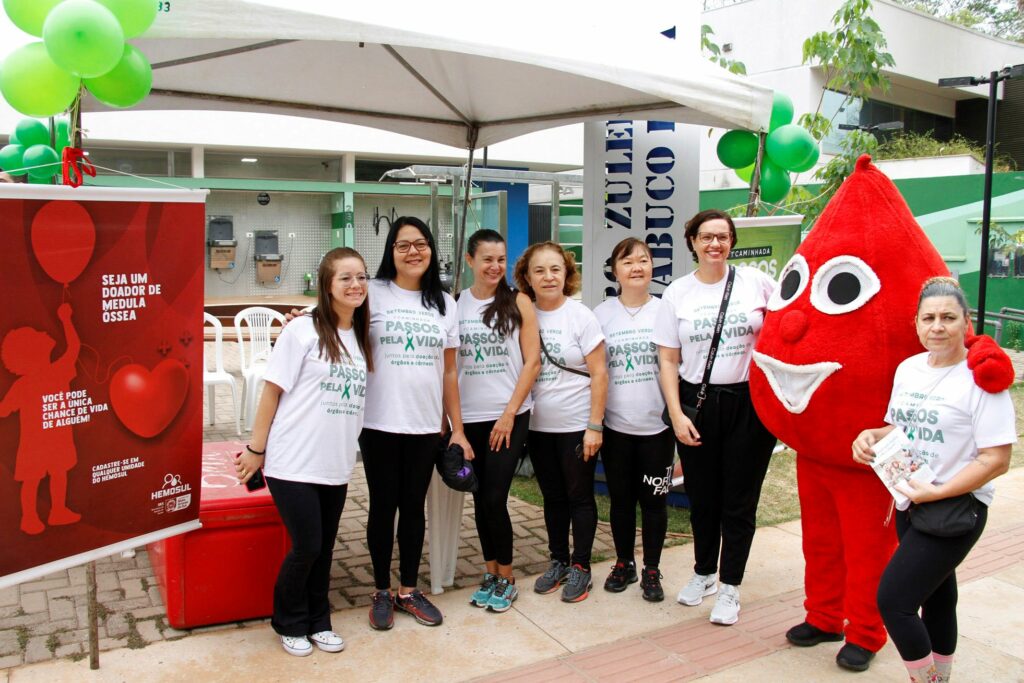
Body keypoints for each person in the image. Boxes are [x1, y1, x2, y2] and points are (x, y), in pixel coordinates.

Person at [853, 277, 1016, 683]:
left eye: (948, 317)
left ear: (967, 322)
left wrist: (939, 490)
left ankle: (925, 681)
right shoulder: (909, 369)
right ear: (916, 324)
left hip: (955, 507)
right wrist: (871, 435)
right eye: (929, 318)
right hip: (912, 499)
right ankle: (941, 676)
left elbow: (996, 459)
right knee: (939, 597)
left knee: (893, 602)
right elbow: (900, 427)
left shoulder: (981, 379)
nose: (937, 326)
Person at [235, 247, 371, 657]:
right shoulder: (302, 331)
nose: (355, 285)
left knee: (325, 547)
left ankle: (319, 621)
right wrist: (256, 450)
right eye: (345, 277)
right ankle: (289, 622)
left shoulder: (362, 334)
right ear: (327, 285)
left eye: (361, 277)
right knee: (308, 545)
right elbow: (271, 390)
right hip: (292, 460)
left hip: (335, 462)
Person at [654, 209, 777, 626]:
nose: (714, 245)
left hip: (749, 404)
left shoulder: (757, 283)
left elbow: (786, 329)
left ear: (732, 241)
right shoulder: (678, 293)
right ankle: (704, 572)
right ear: (692, 241)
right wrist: (675, 413)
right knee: (702, 498)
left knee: (739, 501)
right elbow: (668, 359)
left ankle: (730, 587)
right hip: (697, 405)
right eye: (706, 237)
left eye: (722, 237)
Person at [360, 216, 472, 630]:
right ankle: (380, 591)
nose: (413, 251)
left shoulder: (444, 303)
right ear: (391, 251)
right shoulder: (372, 293)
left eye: (421, 244)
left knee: (413, 509)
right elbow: (334, 324)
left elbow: (448, 372)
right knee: (382, 506)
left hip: (426, 425)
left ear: (432, 250)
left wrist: (456, 427)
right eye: (403, 244)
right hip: (379, 422)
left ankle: (408, 589)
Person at [513, 241, 607, 603]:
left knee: (579, 496)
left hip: (576, 425)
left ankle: (581, 566)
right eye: (539, 270)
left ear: (566, 273)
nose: (548, 276)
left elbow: (600, 373)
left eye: (555, 269)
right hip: (537, 427)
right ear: (527, 277)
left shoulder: (580, 316)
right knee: (552, 497)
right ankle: (558, 560)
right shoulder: (524, 314)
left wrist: (594, 426)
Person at [458, 229, 541, 613]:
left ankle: (506, 577)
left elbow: (532, 362)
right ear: (470, 260)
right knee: (480, 499)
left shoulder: (519, 301)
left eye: (501, 259)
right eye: (487, 259)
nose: (495, 266)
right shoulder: (455, 304)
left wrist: (509, 413)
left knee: (495, 497)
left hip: (509, 416)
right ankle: (490, 571)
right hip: (470, 419)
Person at [593, 238, 673, 602]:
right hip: (616, 429)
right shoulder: (601, 314)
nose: (637, 267)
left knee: (654, 503)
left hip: (658, 429)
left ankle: (652, 569)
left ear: (652, 266)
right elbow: (593, 371)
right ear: (615, 270)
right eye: (628, 262)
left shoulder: (667, 311)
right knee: (621, 501)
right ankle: (624, 562)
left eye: (643, 260)